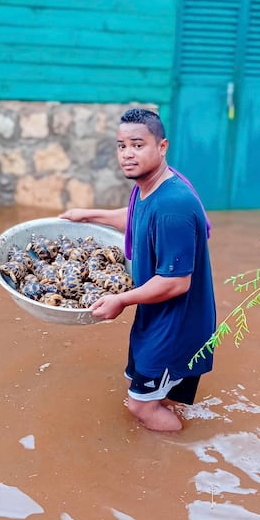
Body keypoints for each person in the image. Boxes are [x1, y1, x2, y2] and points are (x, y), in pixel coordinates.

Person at [60, 108, 216, 432]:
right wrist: (87, 215)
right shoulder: (149, 187)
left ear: (162, 147)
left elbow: (176, 282)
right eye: (121, 146)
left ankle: (178, 465)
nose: (127, 154)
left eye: (137, 144)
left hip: (176, 326)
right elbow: (136, 218)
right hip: (155, 318)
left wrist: (122, 300)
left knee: (140, 406)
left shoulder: (174, 205)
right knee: (157, 395)